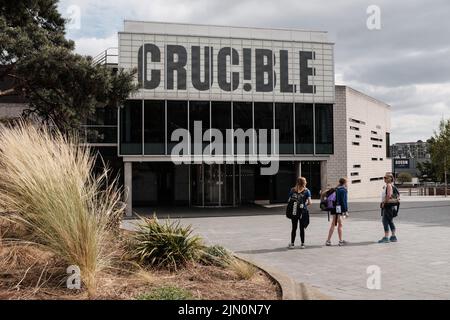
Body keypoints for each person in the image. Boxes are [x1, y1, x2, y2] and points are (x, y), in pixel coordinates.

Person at [287, 177, 312, 249]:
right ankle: (302, 244)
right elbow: (310, 202)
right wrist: (304, 205)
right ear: (304, 183)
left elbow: (289, 200)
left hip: (294, 211)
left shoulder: (292, 190)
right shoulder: (307, 191)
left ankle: (292, 244)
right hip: (302, 212)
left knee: (294, 228)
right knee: (301, 228)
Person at [325, 178, 348, 246]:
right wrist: (345, 211)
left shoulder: (336, 188)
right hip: (338, 209)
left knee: (336, 224)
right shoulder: (343, 190)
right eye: (347, 182)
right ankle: (340, 241)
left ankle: (329, 240)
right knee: (338, 225)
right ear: (344, 183)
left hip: (333, 208)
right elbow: (344, 201)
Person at [378, 174, 399, 243]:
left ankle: (386, 237)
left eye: (386, 178)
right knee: (390, 221)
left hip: (388, 206)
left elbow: (388, 195)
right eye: (384, 177)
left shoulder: (389, 185)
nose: (384, 179)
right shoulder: (389, 185)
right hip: (390, 206)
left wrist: (384, 203)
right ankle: (393, 237)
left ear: (390, 178)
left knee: (385, 221)